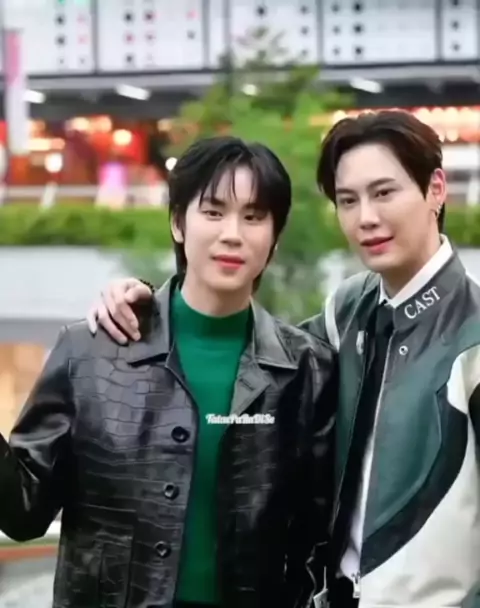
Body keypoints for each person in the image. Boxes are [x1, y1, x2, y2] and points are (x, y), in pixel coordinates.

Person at [91, 110, 480, 608]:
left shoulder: (472, 336)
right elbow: (250, 348)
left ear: (436, 190)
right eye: (348, 200)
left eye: (384, 193)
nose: (366, 217)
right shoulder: (349, 309)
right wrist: (149, 304)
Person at [1, 136, 336, 608]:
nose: (232, 234)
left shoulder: (307, 369)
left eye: (254, 216)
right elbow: (23, 513)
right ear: (179, 222)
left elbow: (320, 537)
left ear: (274, 238)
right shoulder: (90, 351)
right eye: (213, 211)